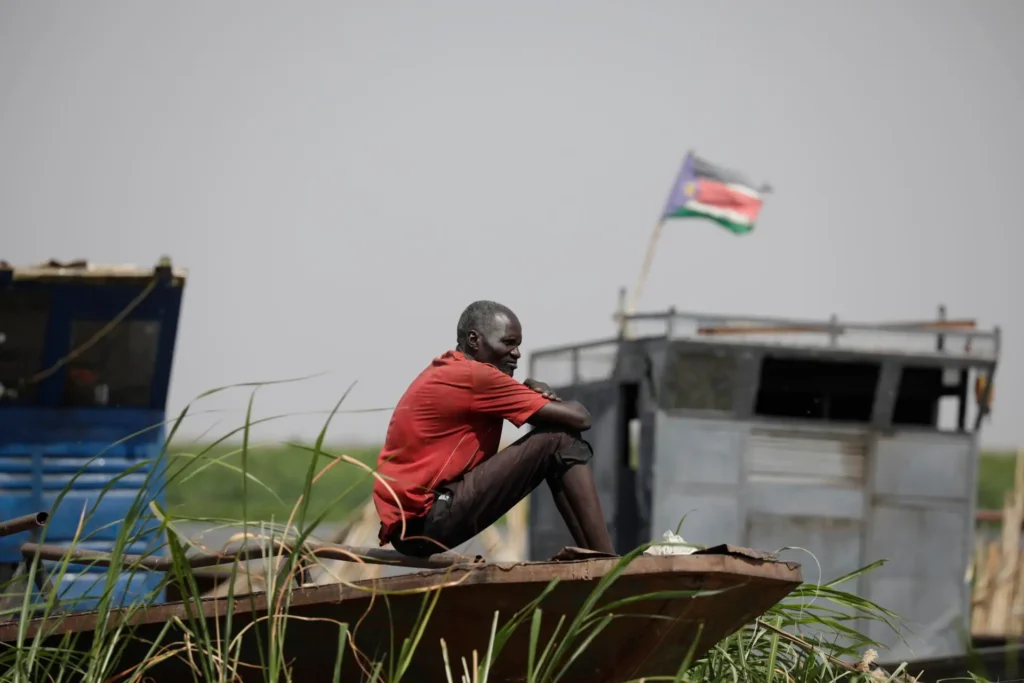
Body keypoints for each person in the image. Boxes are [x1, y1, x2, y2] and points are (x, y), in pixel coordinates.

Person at [372, 300, 616, 558]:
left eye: (518, 345)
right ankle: (608, 560)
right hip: (426, 521)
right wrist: (542, 390)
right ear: (474, 340)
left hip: (415, 526)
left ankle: (597, 557)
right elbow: (580, 418)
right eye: (508, 343)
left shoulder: (450, 370)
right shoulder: (474, 376)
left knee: (555, 443)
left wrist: (534, 394)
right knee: (561, 440)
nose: (517, 353)